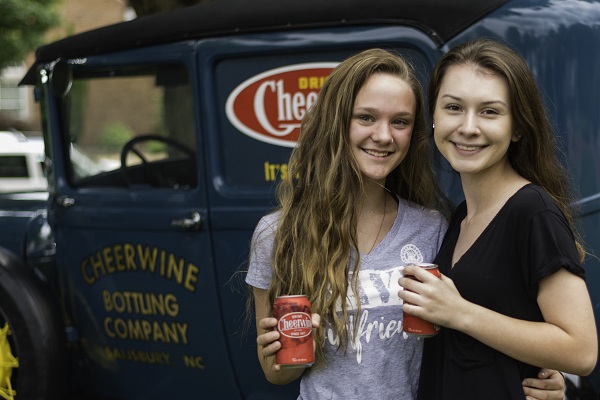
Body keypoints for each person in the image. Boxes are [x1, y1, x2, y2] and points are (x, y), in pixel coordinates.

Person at [246, 48, 566, 399]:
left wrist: (539, 375)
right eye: (366, 117)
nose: (384, 136)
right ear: (335, 123)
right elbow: (276, 375)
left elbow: (470, 330)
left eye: (400, 122)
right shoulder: (278, 234)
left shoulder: (433, 228)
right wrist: (280, 357)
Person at [398, 38, 598, 400]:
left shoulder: (532, 210)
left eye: (490, 112)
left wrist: (458, 312)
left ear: (517, 127)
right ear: (434, 117)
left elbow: (581, 350)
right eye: (454, 107)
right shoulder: (460, 218)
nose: (468, 127)